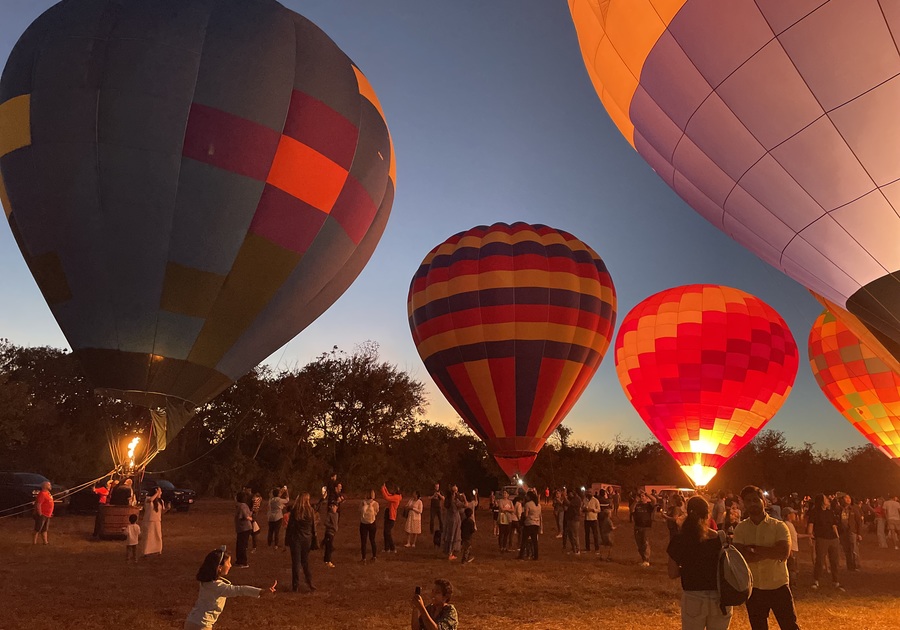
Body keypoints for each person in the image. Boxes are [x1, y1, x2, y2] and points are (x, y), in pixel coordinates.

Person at [732, 485, 798, 630]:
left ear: (764, 501)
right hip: (754, 588)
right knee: (758, 627)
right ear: (744, 504)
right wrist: (769, 552)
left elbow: (783, 553)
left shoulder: (779, 526)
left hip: (778, 586)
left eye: (756, 500)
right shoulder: (741, 529)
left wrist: (753, 549)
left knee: (789, 626)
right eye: (748, 501)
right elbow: (739, 557)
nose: (752, 504)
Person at [667, 496, 732, 630]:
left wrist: (688, 569)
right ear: (707, 515)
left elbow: (672, 573)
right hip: (719, 597)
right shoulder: (720, 538)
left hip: (693, 597)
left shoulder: (679, 540)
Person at [184, 547, 276, 630]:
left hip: (191, 621)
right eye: (228, 563)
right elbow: (240, 590)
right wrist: (260, 592)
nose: (230, 566)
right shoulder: (219, 587)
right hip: (202, 625)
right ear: (219, 568)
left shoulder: (206, 581)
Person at [806, 493, 841, 591]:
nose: (828, 500)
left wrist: (837, 537)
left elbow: (834, 525)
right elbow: (811, 524)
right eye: (826, 498)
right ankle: (816, 580)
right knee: (820, 560)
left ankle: (836, 581)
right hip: (822, 538)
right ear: (821, 501)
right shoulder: (815, 512)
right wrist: (809, 536)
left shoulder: (830, 512)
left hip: (832, 539)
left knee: (834, 561)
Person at [285, 492, 317, 593]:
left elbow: (290, 527)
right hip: (307, 539)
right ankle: (310, 582)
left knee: (296, 563)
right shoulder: (311, 511)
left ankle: (295, 585)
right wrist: (314, 538)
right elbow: (313, 527)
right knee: (305, 562)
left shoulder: (295, 511)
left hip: (296, 539)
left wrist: (287, 539)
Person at [836, 493, 862, 572]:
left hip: (852, 531)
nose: (848, 500)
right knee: (846, 549)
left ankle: (856, 565)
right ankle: (849, 566)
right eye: (846, 498)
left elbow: (859, 521)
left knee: (854, 549)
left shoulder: (854, 509)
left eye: (849, 498)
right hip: (843, 532)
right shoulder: (839, 509)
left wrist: (859, 533)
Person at [141, 486, 166, 558]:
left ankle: (157, 549)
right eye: (160, 491)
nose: (161, 493)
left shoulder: (161, 501)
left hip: (157, 520)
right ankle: (147, 551)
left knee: (157, 535)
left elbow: (161, 512)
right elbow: (151, 500)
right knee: (148, 536)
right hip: (149, 520)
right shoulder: (148, 499)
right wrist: (157, 493)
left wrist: (167, 508)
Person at [519, 490, 542, 560]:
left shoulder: (528, 504)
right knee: (534, 541)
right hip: (536, 524)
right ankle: (536, 556)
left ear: (529, 497)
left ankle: (521, 555)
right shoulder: (538, 505)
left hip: (529, 524)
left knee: (524, 540)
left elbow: (526, 515)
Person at [632, 492, 654, 566]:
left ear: (646, 497)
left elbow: (654, 500)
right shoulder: (636, 505)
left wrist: (647, 494)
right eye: (640, 496)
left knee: (645, 543)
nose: (641, 497)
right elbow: (631, 510)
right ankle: (643, 559)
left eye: (643, 496)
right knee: (639, 544)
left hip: (646, 526)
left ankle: (646, 560)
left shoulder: (648, 505)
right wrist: (635, 502)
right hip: (637, 526)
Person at [234, 492, 253, 568]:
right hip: (242, 528)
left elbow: (246, 516)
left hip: (244, 528)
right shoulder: (242, 505)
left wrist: (250, 519)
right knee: (239, 545)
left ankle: (243, 562)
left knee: (242, 545)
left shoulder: (242, 506)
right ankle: (239, 561)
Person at [381, 483, 402, 554]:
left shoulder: (396, 497)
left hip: (391, 516)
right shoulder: (395, 496)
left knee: (387, 532)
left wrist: (382, 488)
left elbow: (387, 497)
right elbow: (388, 494)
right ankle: (387, 548)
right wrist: (384, 488)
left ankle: (392, 548)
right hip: (388, 515)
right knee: (385, 532)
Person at [360, 489, 379, 563]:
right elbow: (376, 512)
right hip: (372, 523)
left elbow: (359, 511)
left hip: (363, 523)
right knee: (373, 540)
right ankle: (374, 556)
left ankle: (364, 558)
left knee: (363, 542)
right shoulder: (375, 503)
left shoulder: (362, 502)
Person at [33, 480, 54, 545]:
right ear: (45, 486)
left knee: (45, 529)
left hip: (47, 514)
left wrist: (50, 512)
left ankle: (45, 542)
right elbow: (38, 504)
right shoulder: (42, 494)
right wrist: (40, 513)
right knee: (37, 528)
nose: (50, 486)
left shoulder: (48, 493)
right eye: (49, 485)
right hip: (43, 514)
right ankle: (34, 542)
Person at [323, 502, 339, 568]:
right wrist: (332, 527)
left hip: (333, 533)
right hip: (329, 532)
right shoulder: (329, 514)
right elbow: (326, 523)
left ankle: (326, 560)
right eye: (334, 506)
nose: (335, 508)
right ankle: (328, 561)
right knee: (329, 547)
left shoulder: (336, 514)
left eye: (336, 507)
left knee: (329, 546)